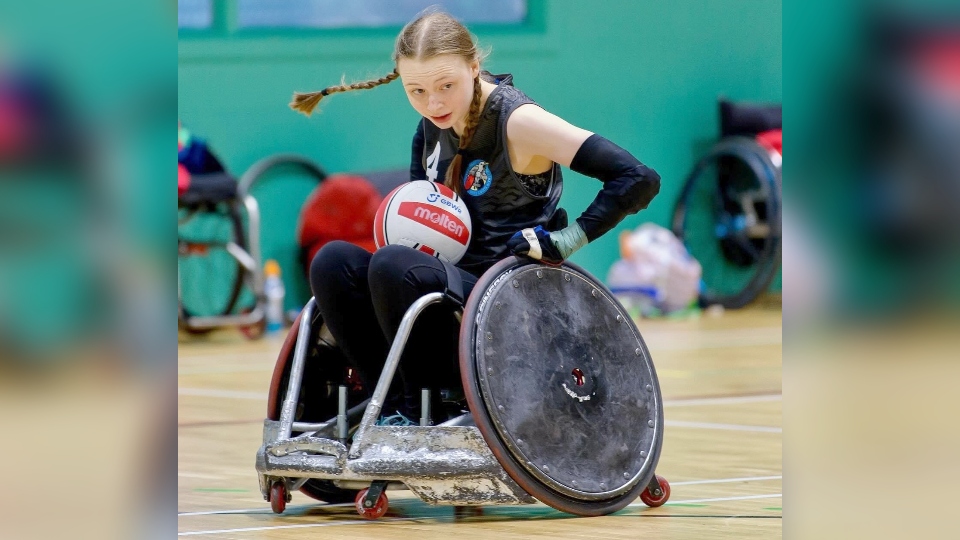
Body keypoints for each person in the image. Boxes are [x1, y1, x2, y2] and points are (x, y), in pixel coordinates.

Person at [290, 10, 660, 424]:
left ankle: (418, 411)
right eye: (416, 91)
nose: (433, 103)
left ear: (474, 67)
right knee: (333, 260)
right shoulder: (429, 128)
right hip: (451, 293)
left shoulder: (519, 121)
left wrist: (566, 240)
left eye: (446, 86)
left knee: (392, 264)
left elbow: (637, 177)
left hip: (509, 299)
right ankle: (390, 403)